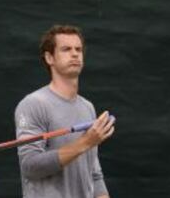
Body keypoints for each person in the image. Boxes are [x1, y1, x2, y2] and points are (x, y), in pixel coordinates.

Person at [14, 25, 116, 198]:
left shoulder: (87, 107)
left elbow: (94, 172)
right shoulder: (33, 104)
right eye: (66, 49)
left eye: (78, 49)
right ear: (49, 57)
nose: (75, 54)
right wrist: (85, 142)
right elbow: (30, 166)